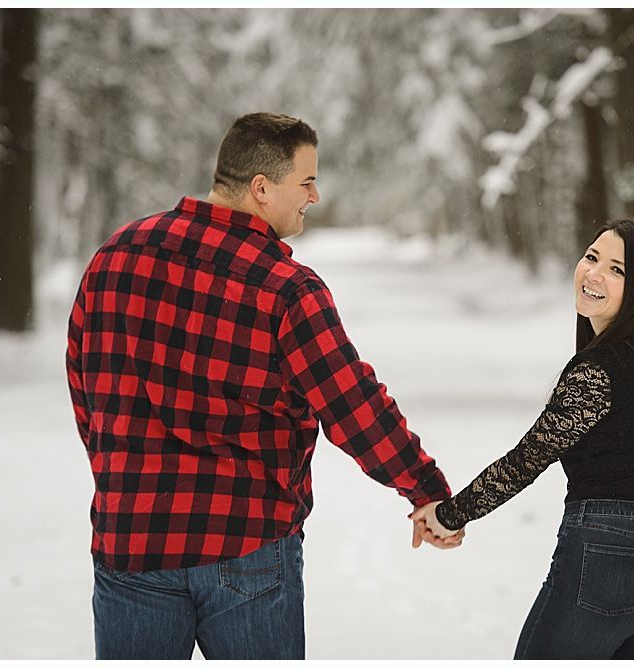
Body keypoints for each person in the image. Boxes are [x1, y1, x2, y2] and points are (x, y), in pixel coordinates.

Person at [66, 112, 462, 660]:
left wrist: (126, 479)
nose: (315, 195)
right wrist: (424, 488)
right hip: (246, 544)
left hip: (133, 539)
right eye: (305, 182)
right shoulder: (284, 288)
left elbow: (86, 392)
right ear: (261, 187)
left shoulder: (115, 257)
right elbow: (351, 403)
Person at [412, 218, 634, 659]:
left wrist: (451, 515)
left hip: (610, 557)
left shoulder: (597, 371)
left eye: (617, 270)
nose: (594, 274)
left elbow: (527, 460)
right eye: (592, 257)